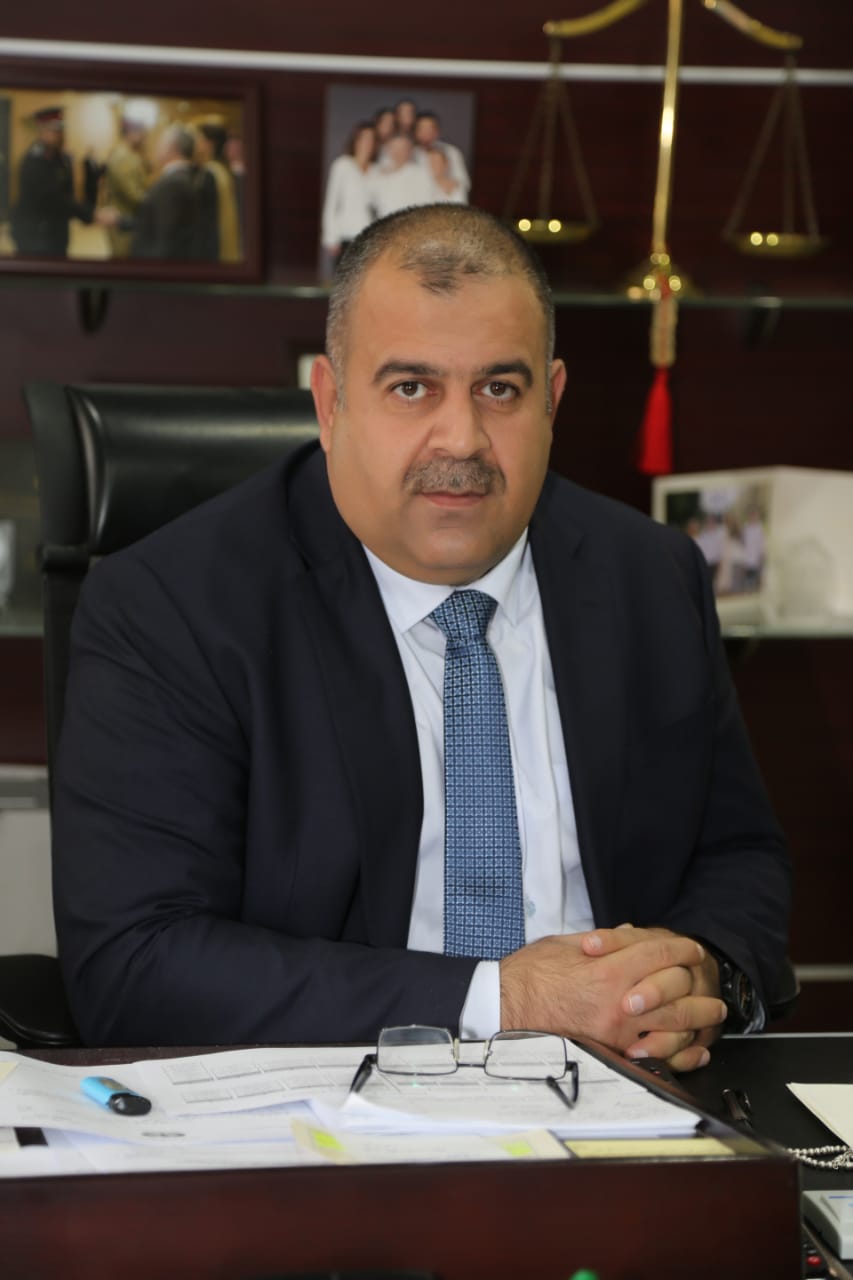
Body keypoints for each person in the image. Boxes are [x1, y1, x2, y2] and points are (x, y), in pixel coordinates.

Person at [53, 204, 790, 1065]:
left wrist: (697, 973)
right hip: (327, 1103)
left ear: (551, 400)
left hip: (624, 1090)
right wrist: (503, 1001)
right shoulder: (172, 608)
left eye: (499, 389)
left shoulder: (650, 577)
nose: (462, 440)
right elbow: (136, 964)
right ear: (330, 403)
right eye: (411, 388)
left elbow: (735, 854)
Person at [119, 123, 217, 261]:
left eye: (160, 143)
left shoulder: (173, 183)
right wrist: (120, 221)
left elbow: (165, 239)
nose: (156, 147)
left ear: (172, 147)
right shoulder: (181, 177)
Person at [10, 106, 95, 256]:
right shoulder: (33, 161)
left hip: (56, 233)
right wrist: (90, 214)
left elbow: (67, 193)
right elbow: (52, 197)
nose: (59, 135)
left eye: (60, 130)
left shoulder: (60, 159)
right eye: (53, 130)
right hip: (35, 236)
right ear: (41, 131)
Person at [320, 121, 376, 266]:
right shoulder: (342, 165)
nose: (367, 143)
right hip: (345, 235)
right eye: (364, 138)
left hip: (369, 238)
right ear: (356, 140)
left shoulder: (376, 170)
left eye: (371, 139)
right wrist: (331, 237)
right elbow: (331, 202)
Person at [101, 112, 151, 258]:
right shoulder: (123, 157)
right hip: (123, 222)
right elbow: (133, 195)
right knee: (124, 262)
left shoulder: (130, 155)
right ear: (130, 133)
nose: (144, 136)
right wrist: (155, 203)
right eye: (141, 131)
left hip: (127, 220)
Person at [195, 118, 241, 263]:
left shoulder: (210, 173)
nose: (196, 144)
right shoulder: (223, 169)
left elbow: (207, 220)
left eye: (199, 139)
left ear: (210, 143)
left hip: (214, 250)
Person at [366, 133, 433, 219]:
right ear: (388, 150)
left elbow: (426, 203)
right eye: (394, 148)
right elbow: (370, 200)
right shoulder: (378, 173)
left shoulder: (420, 174)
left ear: (410, 150)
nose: (398, 152)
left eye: (403, 148)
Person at [414, 110, 470, 204]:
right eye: (422, 128)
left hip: (446, 200)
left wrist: (447, 185)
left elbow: (462, 181)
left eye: (430, 128)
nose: (427, 132)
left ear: (437, 131)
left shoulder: (451, 152)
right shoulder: (410, 154)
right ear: (416, 131)